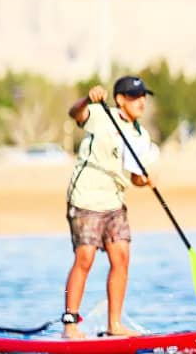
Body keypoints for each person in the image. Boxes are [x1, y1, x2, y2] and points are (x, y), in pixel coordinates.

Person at [61, 75, 157, 339]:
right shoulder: (102, 115)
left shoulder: (141, 135)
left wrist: (144, 180)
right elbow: (75, 113)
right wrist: (87, 99)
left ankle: (114, 325)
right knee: (85, 258)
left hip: (114, 202)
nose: (141, 101)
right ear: (120, 100)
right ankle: (70, 325)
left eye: (143, 96)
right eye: (134, 97)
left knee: (122, 258)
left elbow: (135, 177)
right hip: (86, 198)